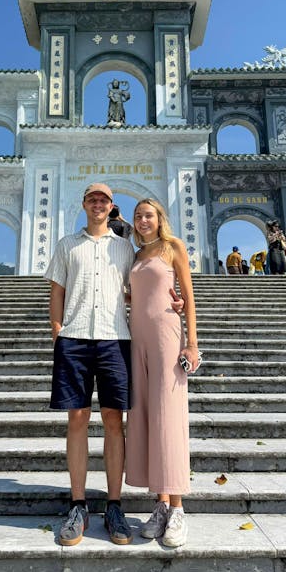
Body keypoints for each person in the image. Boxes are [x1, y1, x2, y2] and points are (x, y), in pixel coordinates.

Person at [45, 182, 135, 546]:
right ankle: (78, 503)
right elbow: (57, 291)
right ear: (83, 204)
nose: (98, 204)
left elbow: (136, 288)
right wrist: (57, 332)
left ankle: (115, 504)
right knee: (77, 418)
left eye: (104, 199)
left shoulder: (124, 248)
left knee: (115, 419)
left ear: (112, 207)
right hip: (75, 337)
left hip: (116, 338)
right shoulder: (67, 244)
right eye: (92, 198)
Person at [125, 198, 200, 548]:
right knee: (145, 417)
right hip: (135, 339)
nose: (143, 220)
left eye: (148, 215)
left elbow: (188, 295)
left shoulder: (173, 248)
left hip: (167, 338)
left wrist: (192, 344)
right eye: (138, 216)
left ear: (160, 219)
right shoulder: (136, 256)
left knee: (168, 418)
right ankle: (160, 504)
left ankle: (179, 508)